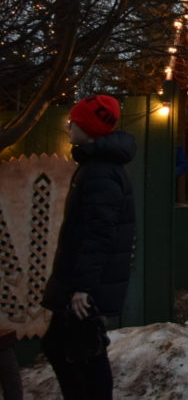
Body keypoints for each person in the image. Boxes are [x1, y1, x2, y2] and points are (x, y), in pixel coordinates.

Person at [42, 95, 136, 400]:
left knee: (82, 352)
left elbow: (99, 233)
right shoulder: (95, 165)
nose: (69, 125)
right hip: (80, 278)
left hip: (84, 284)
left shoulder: (100, 172)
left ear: (89, 127)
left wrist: (83, 287)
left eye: (75, 121)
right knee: (76, 350)